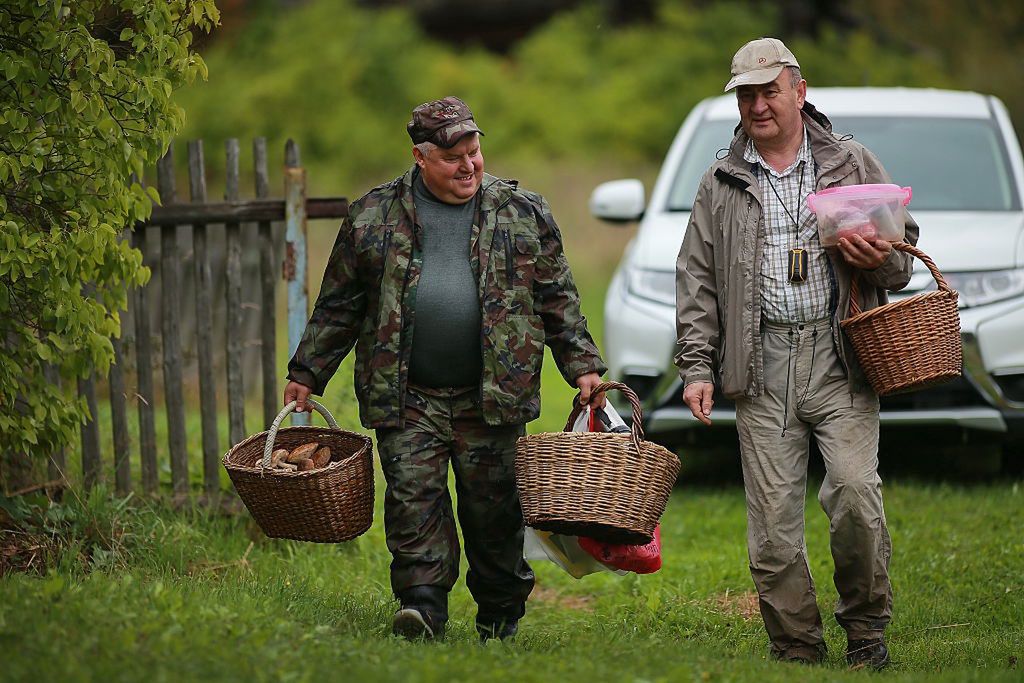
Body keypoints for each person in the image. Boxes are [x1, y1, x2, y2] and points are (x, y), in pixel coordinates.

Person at [283, 96, 607, 643]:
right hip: (408, 394)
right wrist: (309, 370)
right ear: (420, 156)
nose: (468, 166)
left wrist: (583, 366)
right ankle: (423, 608)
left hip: (494, 395)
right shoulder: (372, 216)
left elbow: (558, 297)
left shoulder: (521, 212)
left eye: (475, 152)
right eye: (453, 156)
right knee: (413, 504)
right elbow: (340, 304)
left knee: (495, 511)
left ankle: (500, 614)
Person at [675, 38, 919, 669]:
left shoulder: (850, 159)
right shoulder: (720, 179)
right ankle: (796, 646)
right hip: (759, 363)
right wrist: (697, 366)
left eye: (769, 91)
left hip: (841, 353)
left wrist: (882, 258)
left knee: (856, 495)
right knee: (774, 527)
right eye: (747, 94)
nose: (758, 105)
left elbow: (902, 255)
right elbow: (696, 276)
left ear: (799, 90)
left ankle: (866, 632)